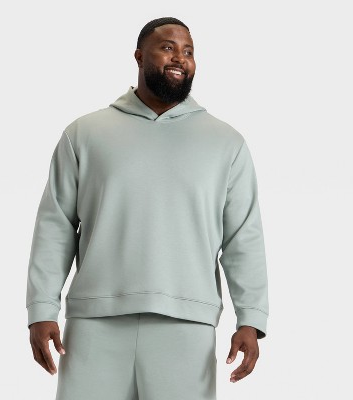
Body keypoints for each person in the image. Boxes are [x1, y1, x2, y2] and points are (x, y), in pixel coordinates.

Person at [26, 16, 269, 399]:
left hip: (187, 322)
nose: (179, 58)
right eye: (168, 47)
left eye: (188, 51)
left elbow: (243, 237)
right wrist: (42, 309)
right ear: (139, 56)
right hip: (95, 321)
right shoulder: (84, 133)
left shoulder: (226, 143)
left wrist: (251, 319)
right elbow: (55, 225)